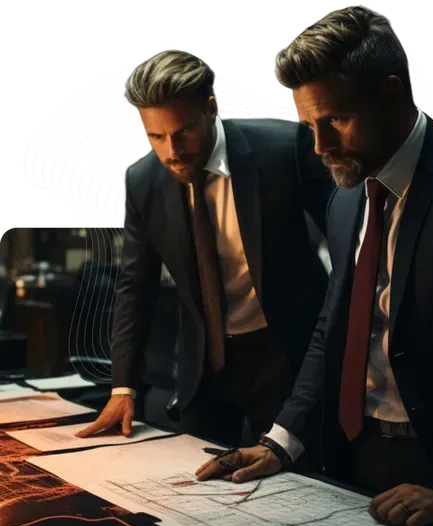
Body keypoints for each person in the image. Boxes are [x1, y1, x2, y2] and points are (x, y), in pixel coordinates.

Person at [195, 7, 433, 526]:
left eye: (337, 120)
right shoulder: (346, 199)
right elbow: (334, 330)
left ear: (392, 95)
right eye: (309, 126)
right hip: (362, 455)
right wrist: (281, 442)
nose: (320, 146)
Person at [76, 49, 334, 447]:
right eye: (156, 136)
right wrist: (123, 387)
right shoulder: (144, 181)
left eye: (183, 132)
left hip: (287, 357)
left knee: (292, 489)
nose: (171, 151)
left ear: (211, 109)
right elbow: (135, 287)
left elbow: (349, 239)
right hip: (204, 363)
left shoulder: (284, 148)